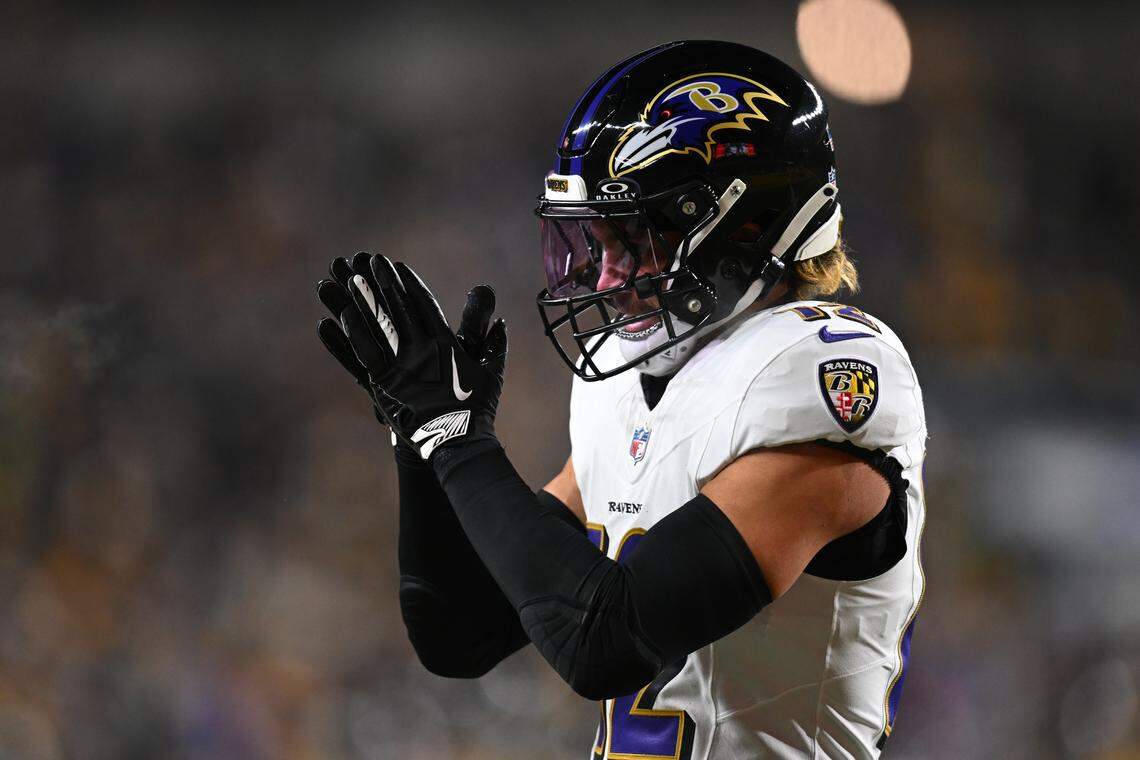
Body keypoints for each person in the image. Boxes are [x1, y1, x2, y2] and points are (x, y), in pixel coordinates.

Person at [316, 40, 927, 760]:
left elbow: (602, 645)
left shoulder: (815, 374)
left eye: (636, 240)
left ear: (746, 226)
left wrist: (456, 438)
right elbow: (458, 632)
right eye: (596, 242)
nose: (606, 279)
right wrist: (418, 436)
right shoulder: (634, 384)